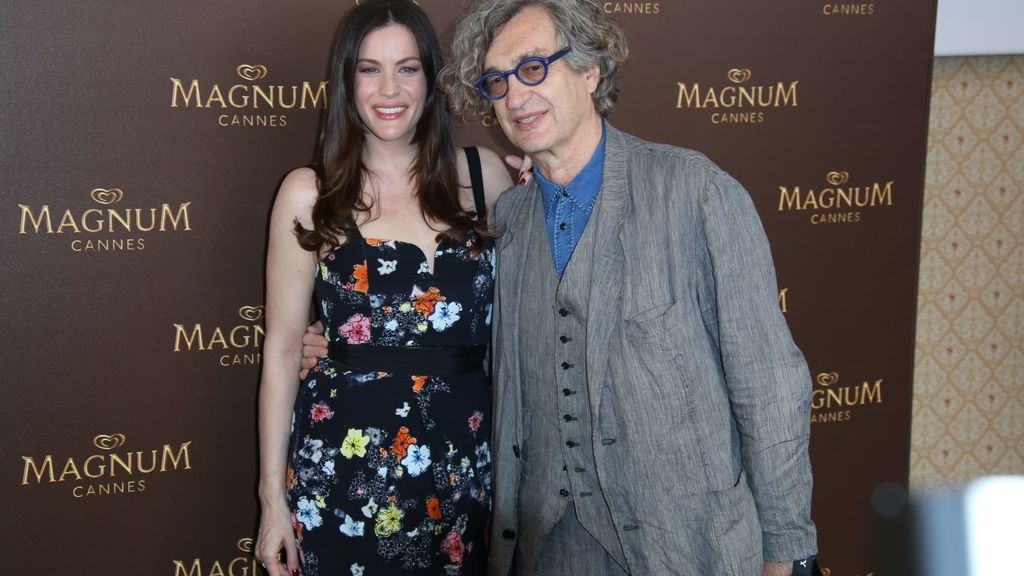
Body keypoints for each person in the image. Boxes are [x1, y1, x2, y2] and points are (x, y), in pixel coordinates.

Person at [306, 0, 819, 574]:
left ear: (590, 70)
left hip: (689, 545)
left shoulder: (695, 193)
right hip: (550, 548)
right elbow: (451, 334)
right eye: (497, 82)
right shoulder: (509, 223)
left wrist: (786, 548)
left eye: (533, 67)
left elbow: (769, 385)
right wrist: (346, 346)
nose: (516, 96)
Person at [255, 1, 513, 575]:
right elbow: (281, 349)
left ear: (431, 78)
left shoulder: (484, 175)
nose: (388, 88)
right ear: (346, 81)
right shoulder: (310, 194)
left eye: (408, 67)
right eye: (369, 69)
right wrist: (272, 499)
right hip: (343, 471)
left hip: (461, 468)